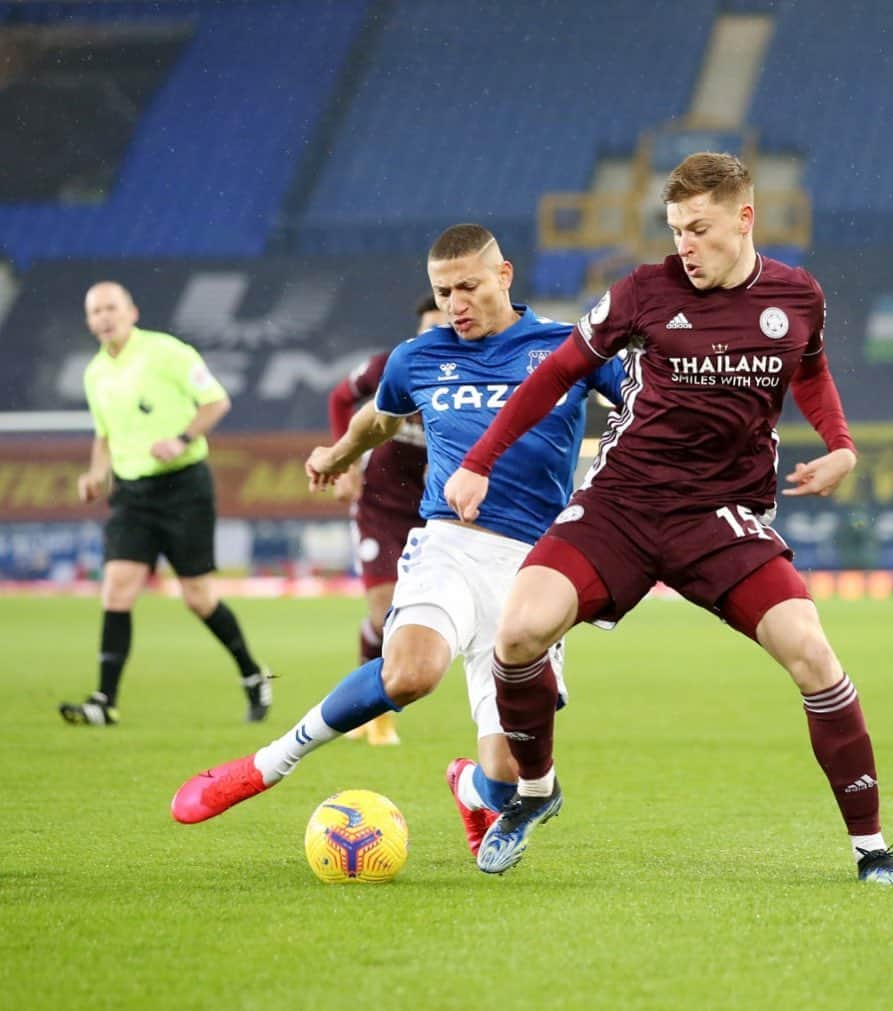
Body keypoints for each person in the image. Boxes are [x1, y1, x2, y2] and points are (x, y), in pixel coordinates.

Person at [444, 153, 893, 886]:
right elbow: (556, 372)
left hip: (720, 515)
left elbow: (811, 371)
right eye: (674, 230)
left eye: (698, 229)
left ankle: (872, 849)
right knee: (516, 630)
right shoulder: (643, 291)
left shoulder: (798, 297)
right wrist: (478, 459)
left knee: (812, 654)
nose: (684, 247)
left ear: (745, 218)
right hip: (622, 505)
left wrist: (840, 446)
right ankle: (534, 794)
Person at [170, 224, 627, 857]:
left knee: (507, 785)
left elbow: (646, 407)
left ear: (505, 275)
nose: (454, 304)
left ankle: (468, 788)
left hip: (538, 568)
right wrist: (338, 453)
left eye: (468, 286)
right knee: (410, 674)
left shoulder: (568, 349)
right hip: (447, 544)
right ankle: (267, 764)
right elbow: (379, 417)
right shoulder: (419, 356)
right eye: (443, 291)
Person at [59, 282, 272, 726]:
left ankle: (253, 675)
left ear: (132, 311)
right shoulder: (94, 373)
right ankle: (104, 700)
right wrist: (97, 474)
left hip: (183, 488)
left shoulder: (167, 352)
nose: (104, 317)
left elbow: (216, 401)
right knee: (117, 588)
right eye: (95, 311)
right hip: (132, 495)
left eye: (111, 307)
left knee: (198, 598)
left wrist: (181, 439)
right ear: (88, 321)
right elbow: (104, 437)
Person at [326, 295, 448, 746]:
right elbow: (341, 397)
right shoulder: (394, 366)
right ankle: (375, 714)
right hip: (380, 506)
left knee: (410, 617)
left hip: (436, 511)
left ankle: (368, 697)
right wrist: (347, 463)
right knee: (384, 614)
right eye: (428, 329)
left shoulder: (468, 377)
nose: (436, 337)